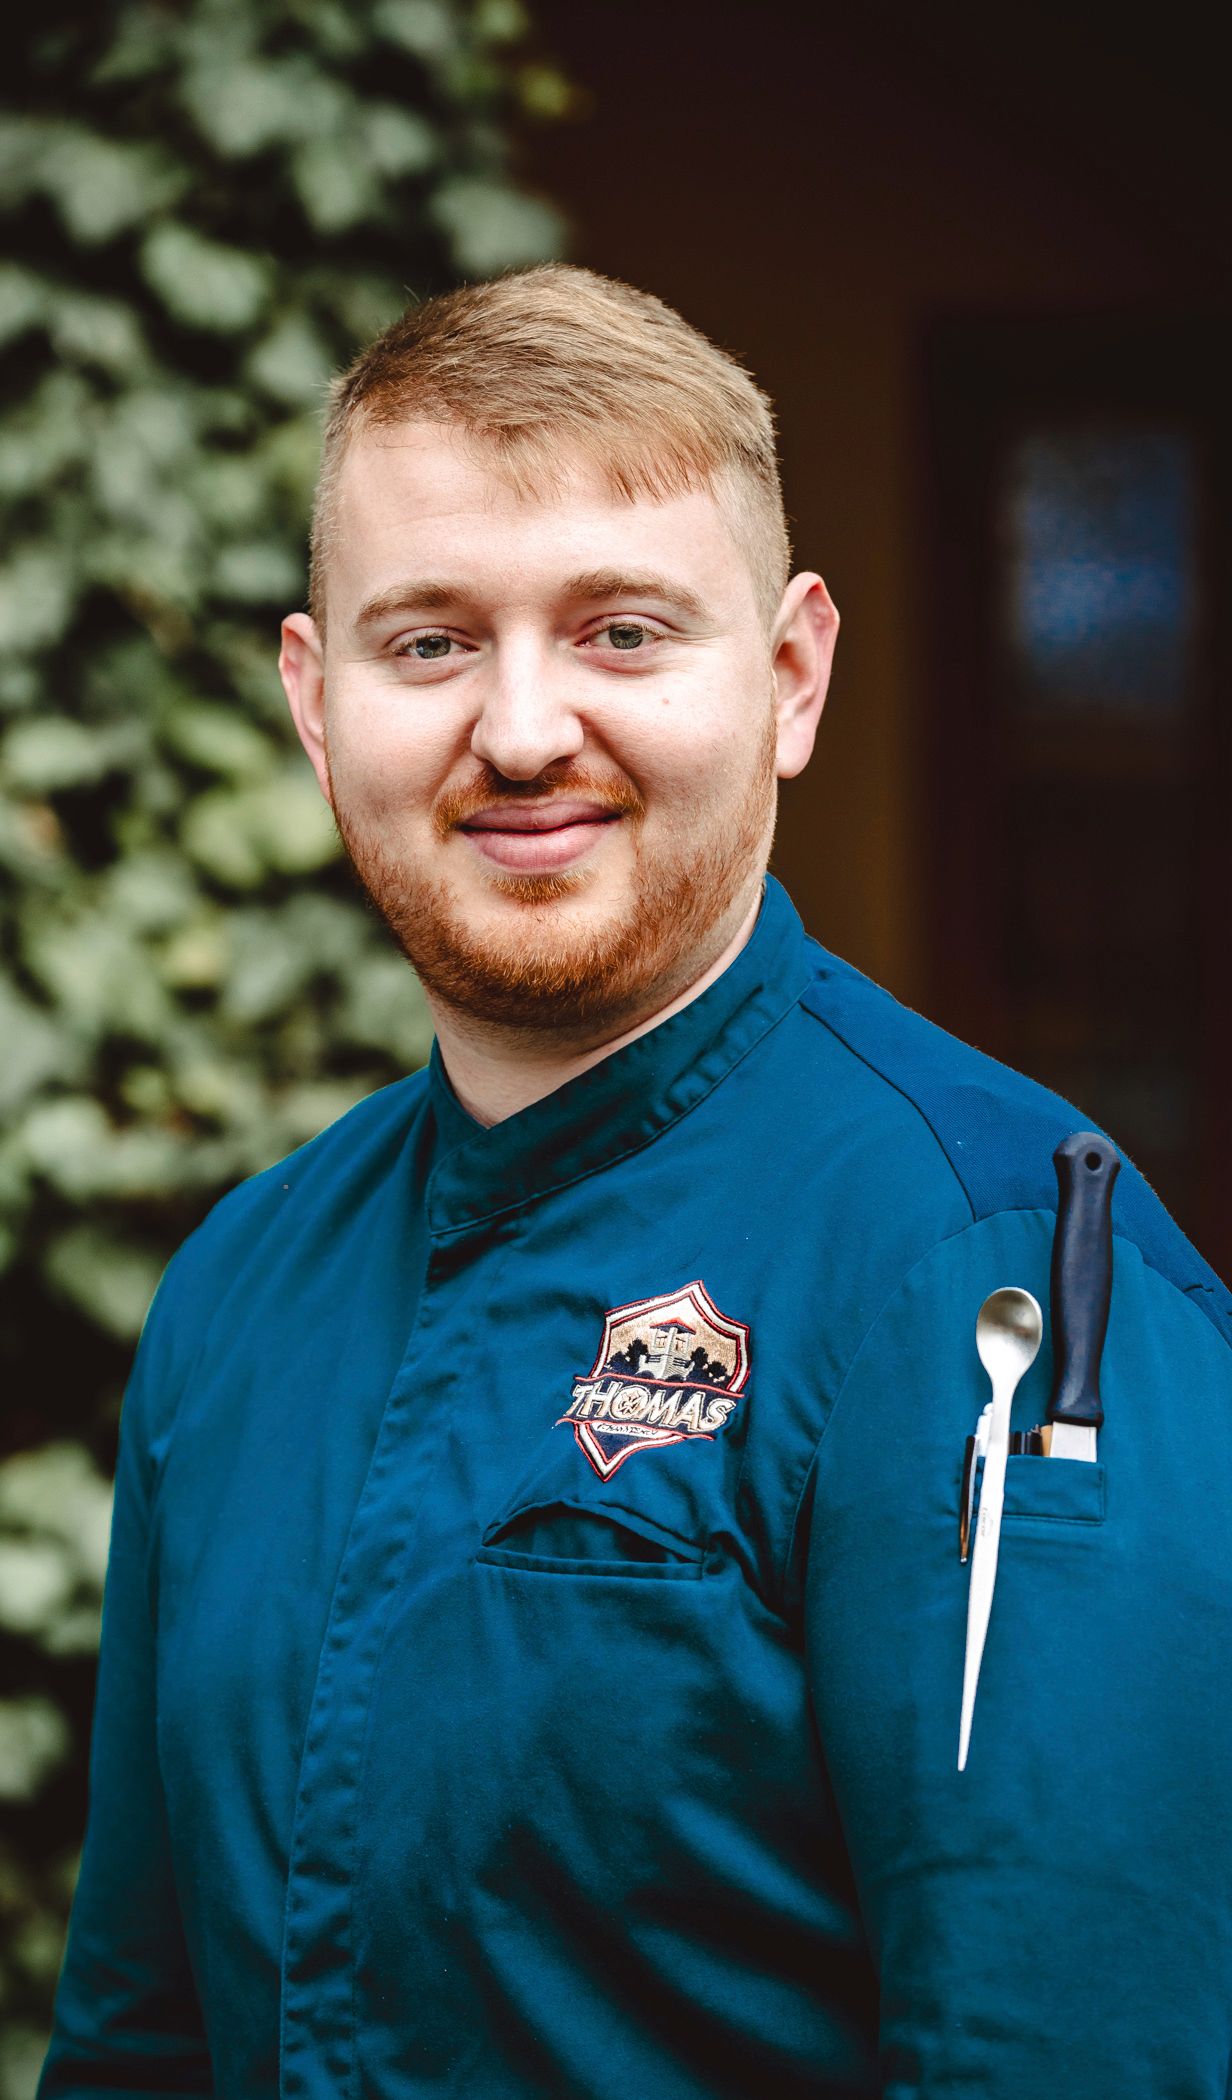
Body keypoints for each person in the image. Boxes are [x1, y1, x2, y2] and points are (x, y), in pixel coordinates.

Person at [39, 266, 1232, 2100]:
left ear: (790, 677)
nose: (521, 731)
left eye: (620, 631)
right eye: (428, 643)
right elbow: (141, 2043)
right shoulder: (238, 1291)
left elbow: (1078, 2054)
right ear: (314, 698)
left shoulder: (995, 1282)